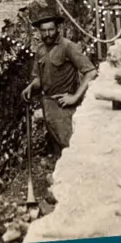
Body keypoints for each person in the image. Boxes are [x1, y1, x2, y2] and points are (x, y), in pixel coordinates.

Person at [22, 14, 97, 151]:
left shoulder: (67, 46)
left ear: (58, 28)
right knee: (58, 147)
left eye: (50, 29)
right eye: (43, 31)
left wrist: (75, 97)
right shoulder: (40, 50)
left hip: (64, 107)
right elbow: (38, 78)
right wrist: (31, 86)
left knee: (71, 147)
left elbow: (91, 72)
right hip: (48, 106)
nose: (47, 34)